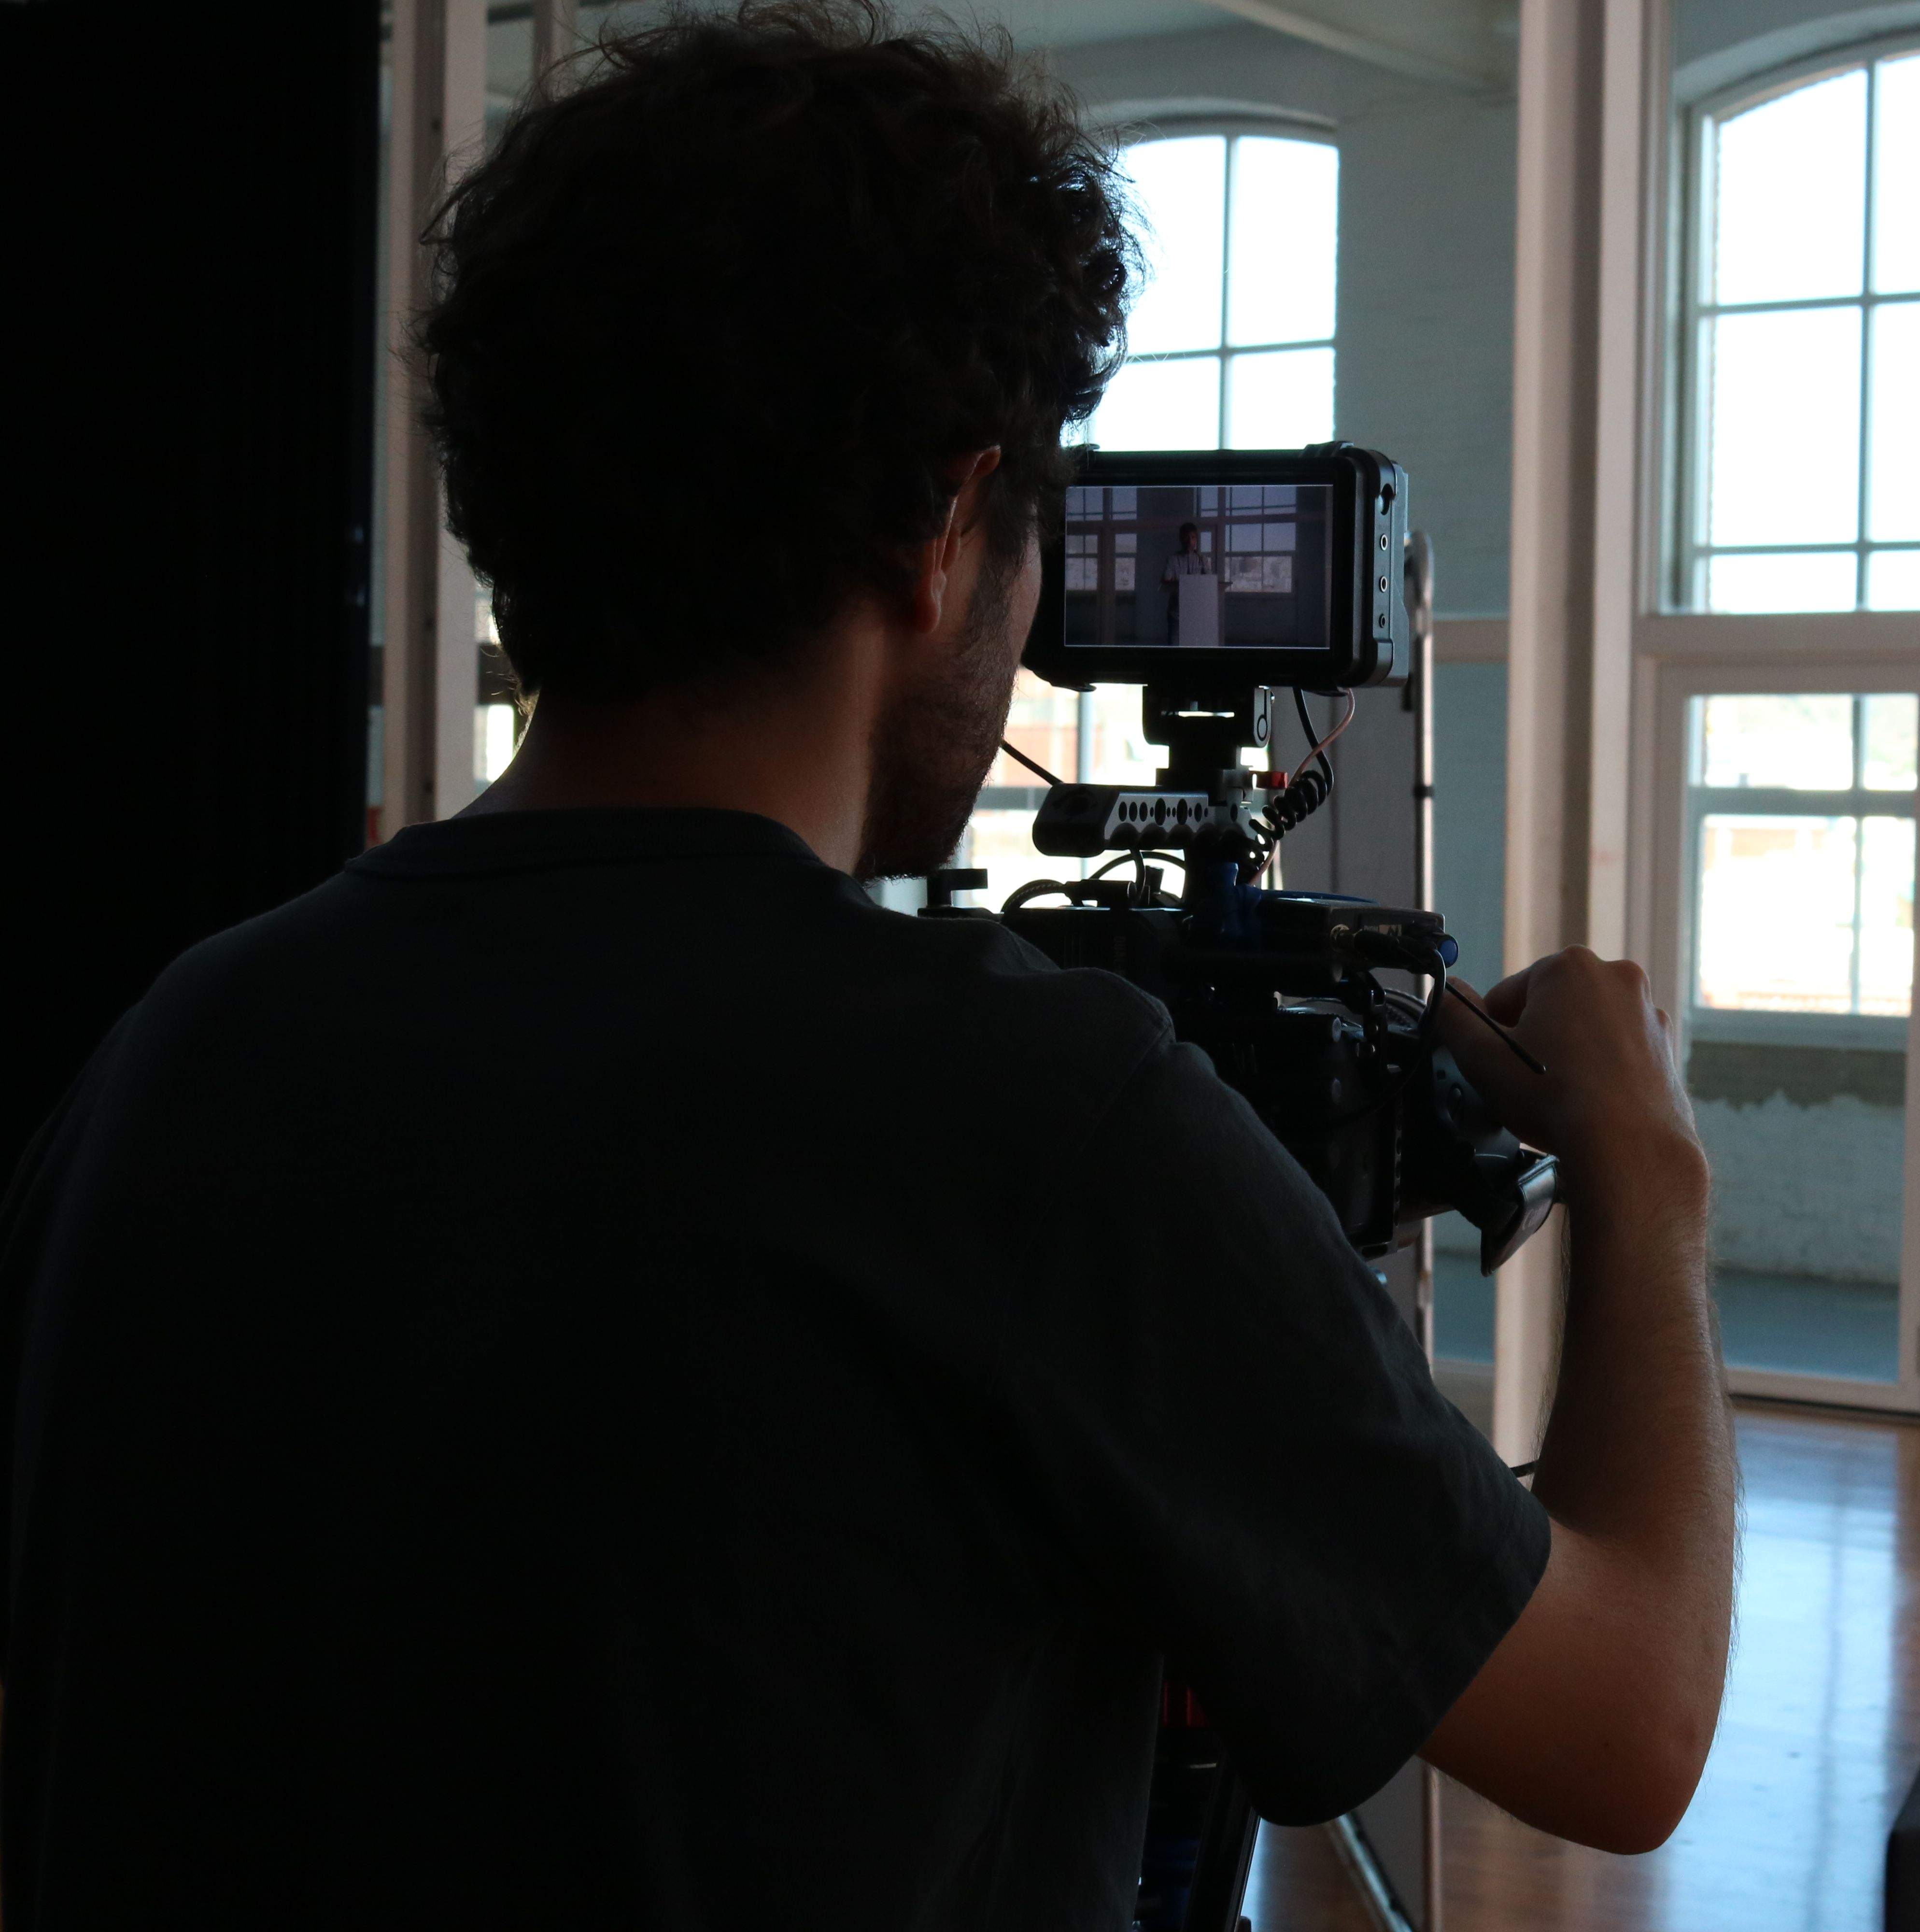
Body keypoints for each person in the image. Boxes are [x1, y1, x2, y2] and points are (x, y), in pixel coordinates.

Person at [0, 8, 1734, 1926]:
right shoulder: (1024, 1117)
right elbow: (1626, 1720)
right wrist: (1648, 1181)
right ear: (941, 526)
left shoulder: (179, 1049)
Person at [1164, 519, 1218, 645]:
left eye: (1193, 537)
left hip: (1197, 613)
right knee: (1174, 647)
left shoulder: (1202, 560)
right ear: (1181, 539)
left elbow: (1208, 583)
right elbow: (1166, 581)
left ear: (1196, 539)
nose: (1190, 541)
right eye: (1187, 537)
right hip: (1177, 614)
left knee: (1195, 649)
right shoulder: (1173, 560)